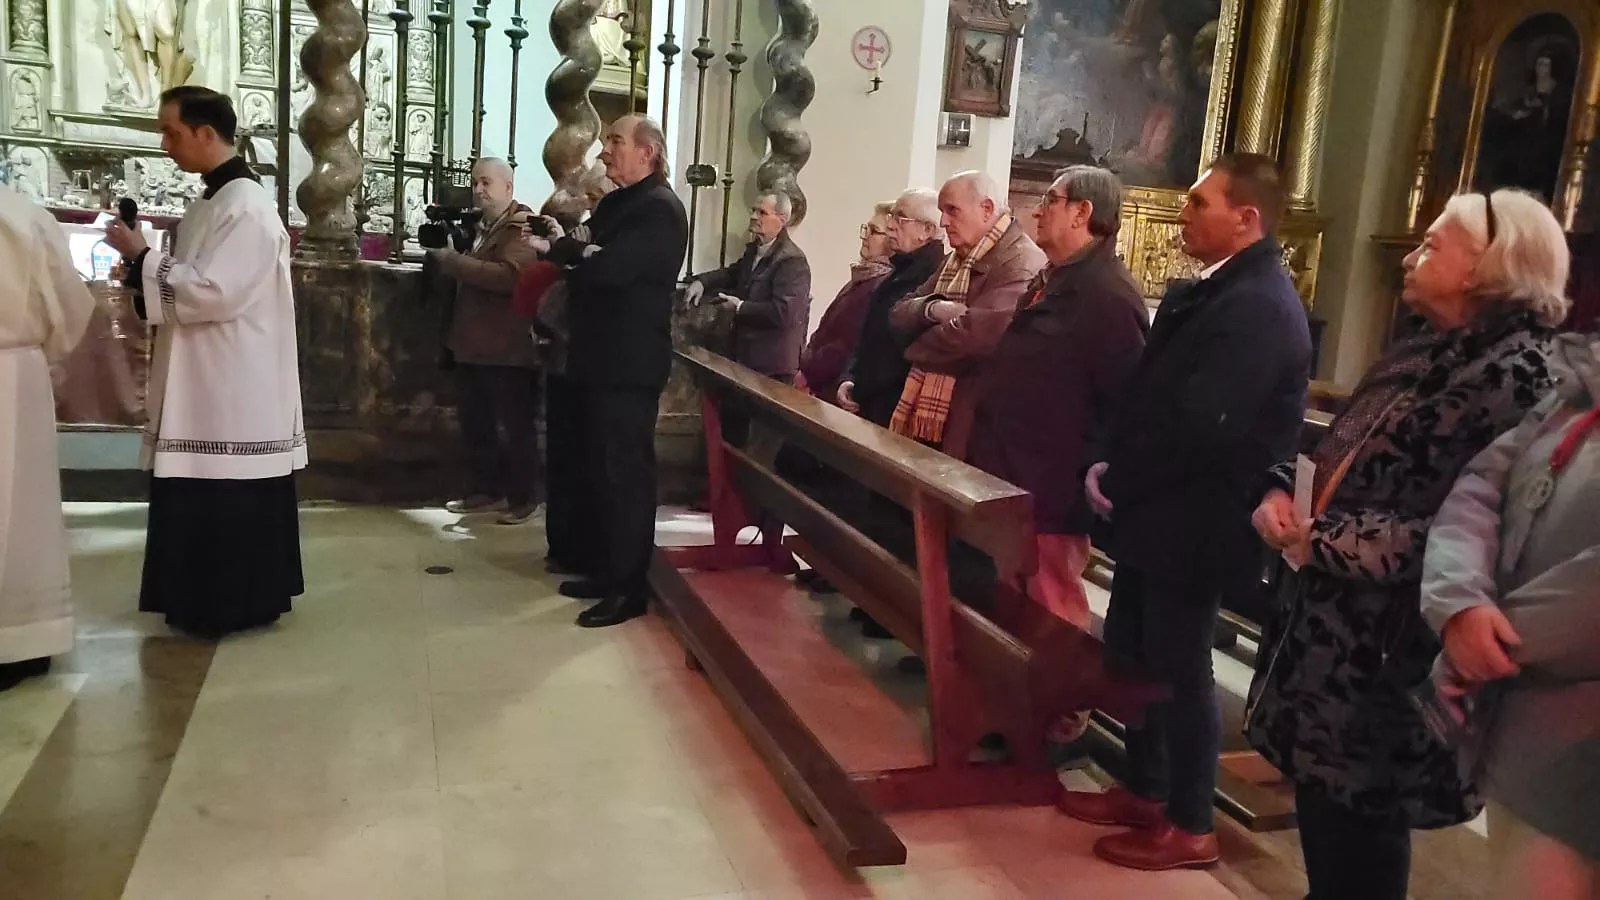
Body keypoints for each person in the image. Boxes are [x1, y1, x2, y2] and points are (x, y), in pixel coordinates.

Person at [1248, 189, 1564, 900]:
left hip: (1394, 643)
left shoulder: (1518, 376)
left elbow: (1481, 530)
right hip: (1332, 625)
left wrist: (1321, 540)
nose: (1413, 256)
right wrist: (1278, 490)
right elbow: (1343, 450)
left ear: (1491, 265)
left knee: (1363, 816)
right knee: (1329, 810)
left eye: (1435, 244)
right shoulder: (1427, 346)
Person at [1058, 153, 1312, 870]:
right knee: (1135, 654)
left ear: (1247, 218)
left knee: (1180, 668)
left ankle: (1192, 821)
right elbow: (1149, 394)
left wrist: (1127, 476)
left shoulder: (1260, 303)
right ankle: (1145, 788)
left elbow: (1205, 425)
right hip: (1157, 508)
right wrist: (1111, 459)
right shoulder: (1216, 289)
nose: (1185, 213)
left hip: (1200, 517)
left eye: (1201, 203)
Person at [103, 86, 307, 639]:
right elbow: (184, 280)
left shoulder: (246, 208)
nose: (165, 144)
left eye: (171, 131)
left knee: (224, 488)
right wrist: (143, 269)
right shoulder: (211, 203)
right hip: (206, 376)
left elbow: (215, 292)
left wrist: (142, 258)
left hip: (231, 383)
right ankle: (198, 597)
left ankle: (233, 602)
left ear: (206, 133)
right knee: (202, 488)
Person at [964, 166, 1147, 740]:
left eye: (1050, 200)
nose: (1037, 209)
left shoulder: (1107, 295)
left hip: (1054, 483)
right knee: (1017, 603)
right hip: (1012, 472)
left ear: (1083, 213)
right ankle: (1020, 710)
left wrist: (1085, 474)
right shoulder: (1056, 278)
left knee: (1052, 607)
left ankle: (1061, 724)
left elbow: (1125, 402)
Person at [1422, 330, 1599, 900]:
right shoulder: (1578, 381)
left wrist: (1490, 643)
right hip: (1526, 721)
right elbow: (1479, 487)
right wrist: (1462, 604)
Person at [544, 115, 687, 628]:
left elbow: (608, 271)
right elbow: (574, 256)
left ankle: (629, 589)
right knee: (596, 472)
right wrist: (582, 252)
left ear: (647, 152)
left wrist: (582, 254)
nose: (605, 152)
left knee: (624, 476)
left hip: (628, 363)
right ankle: (605, 569)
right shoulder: (616, 204)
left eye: (616, 143)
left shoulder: (660, 209)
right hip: (596, 356)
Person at [0, 183, 96, 691]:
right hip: (16, 373)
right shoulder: (25, 217)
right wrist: (46, 352)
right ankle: (24, 637)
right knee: (21, 509)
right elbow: (70, 305)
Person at [886, 170, 1047, 461]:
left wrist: (912, 343)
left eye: (952, 211)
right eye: (941, 212)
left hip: (975, 422)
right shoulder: (955, 260)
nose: (943, 222)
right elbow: (898, 313)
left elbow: (974, 338)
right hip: (943, 414)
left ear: (987, 209)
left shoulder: (1021, 261)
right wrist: (933, 309)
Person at [433, 157, 543, 526]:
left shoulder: (522, 227)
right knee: (476, 423)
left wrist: (452, 261)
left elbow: (509, 277)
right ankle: (485, 490)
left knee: (515, 428)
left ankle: (522, 499)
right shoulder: (481, 226)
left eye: (486, 183)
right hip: (473, 344)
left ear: (508, 188)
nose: (478, 190)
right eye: (475, 183)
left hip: (507, 347)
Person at [836, 188, 946, 427]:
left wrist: (862, 389)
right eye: (891, 217)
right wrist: (850, 378)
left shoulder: (933, 276)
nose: (891, 227)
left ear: (926, 230)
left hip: (891, 410)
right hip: (866, 400)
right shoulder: (897, 271)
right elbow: (866, 336)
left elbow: (900, 353)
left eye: (900, 218)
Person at [685, 192, 812, 384]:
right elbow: (732, 273)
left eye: (762, 212)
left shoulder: (792, 261)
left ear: (782, 219)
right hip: (746, 359)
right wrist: (702, 282)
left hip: (771, 368)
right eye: (753, 210)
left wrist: (740, 306)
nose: (753, 216)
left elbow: (784, 313)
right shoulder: (755, 249)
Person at [796, 202, 894, 404]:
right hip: (817, 381)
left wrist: (809, 372)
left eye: (874, 231)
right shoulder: (862, 276)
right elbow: (827, 327)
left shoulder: (880, 284)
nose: (864, 236)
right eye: (866, 228)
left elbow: (846, 344)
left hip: (833, 391)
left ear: (892, 240)